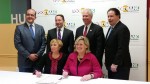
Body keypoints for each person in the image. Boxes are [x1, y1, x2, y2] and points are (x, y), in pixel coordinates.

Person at [105, 8, 132, 80]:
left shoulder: (122, 28)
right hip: (111, 65)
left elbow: (122, 48)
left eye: (111, 16)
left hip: (119, 66)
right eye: (108, 16)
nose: (109, 18)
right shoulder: (111, 28)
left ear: (118, 16)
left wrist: (115, 63)